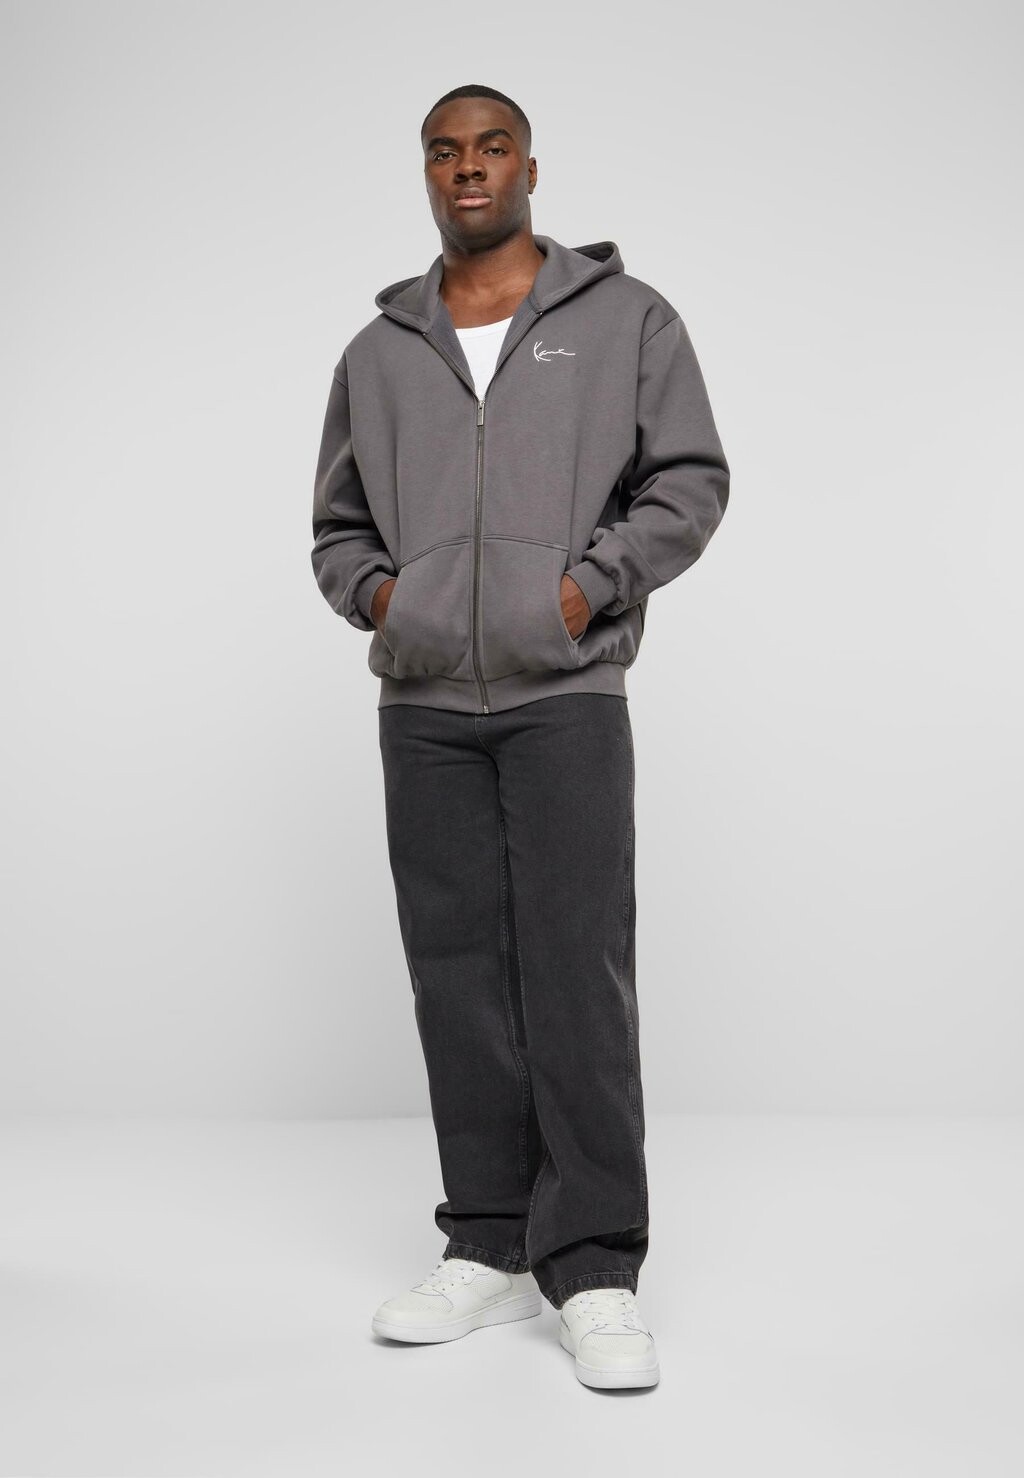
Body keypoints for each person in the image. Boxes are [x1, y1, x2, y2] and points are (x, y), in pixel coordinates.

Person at [310, 83, 730, 1390]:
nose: (469, 169)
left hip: (567, 697)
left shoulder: (626, 320)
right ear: (427, 174)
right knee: (456, 974)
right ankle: (488, 1244)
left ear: (530, 167)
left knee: (575, 973)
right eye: (445, 152)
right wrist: (392, 602)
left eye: (492, 147)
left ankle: (594, 1267)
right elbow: (338, 531)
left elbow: (688, 480)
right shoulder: (382, 350)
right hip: (426, 705)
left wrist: (584, 590)